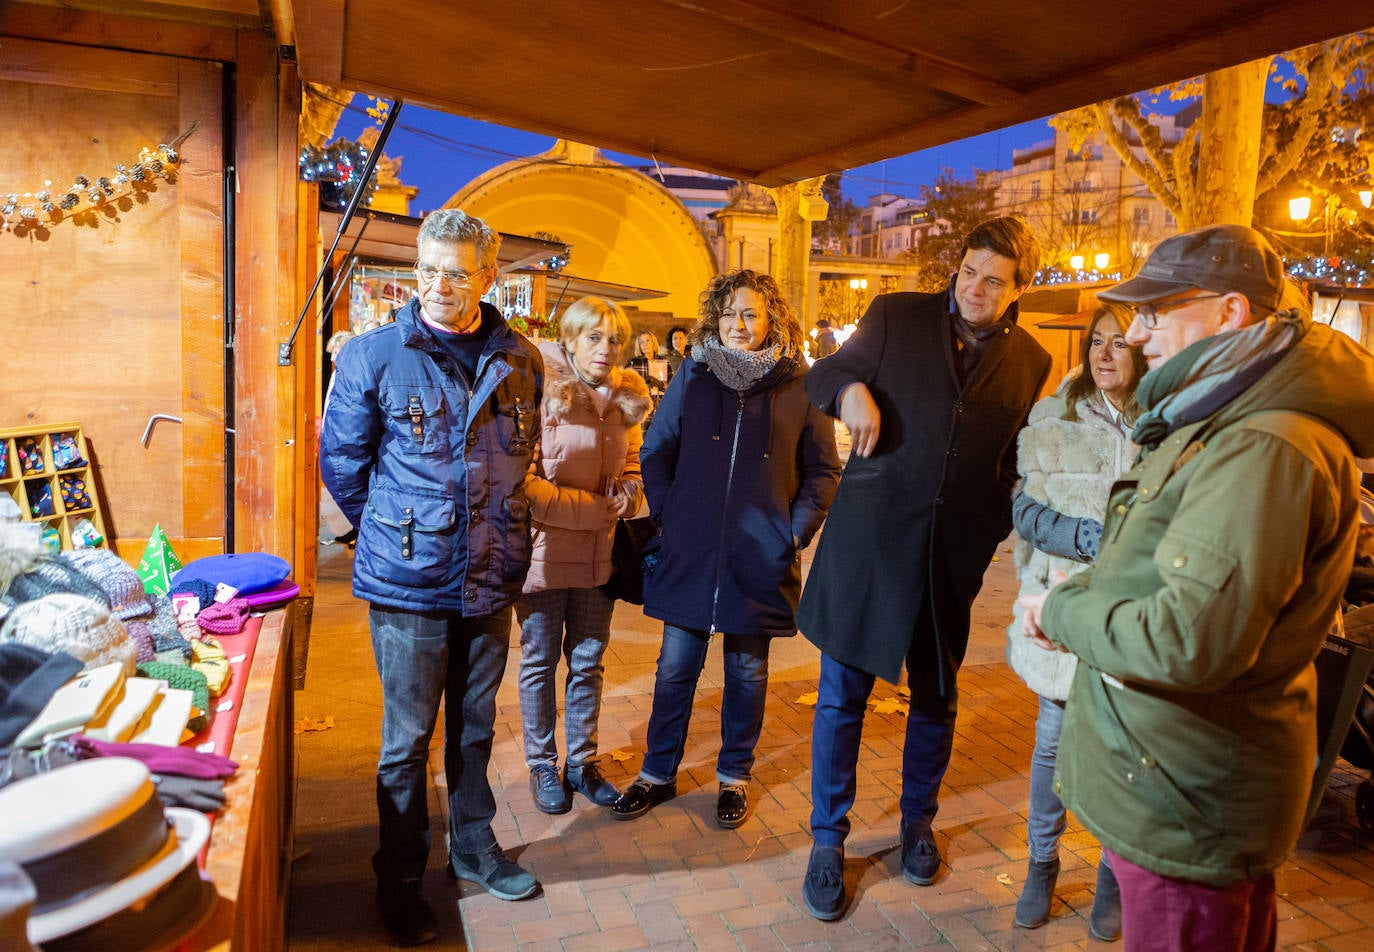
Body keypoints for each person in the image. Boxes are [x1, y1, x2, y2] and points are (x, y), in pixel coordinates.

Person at [1021, 224, 1374, 952]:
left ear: (1230, 313)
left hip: (1189, 796)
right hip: (1177, 780)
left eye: (1156, 312)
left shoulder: (1260, 444)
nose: (1139, 335)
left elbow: (1186, 639)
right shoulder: (1222, 417)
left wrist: (1061, 607)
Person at [797, 217, 1052, 920]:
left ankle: (917, 826)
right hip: (872, 544)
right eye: (968, 271)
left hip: (948, 557)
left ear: (1016, 289)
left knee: (936, 698)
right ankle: (828, 840)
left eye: (993, 280)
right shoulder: (895, 315)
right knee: (841, 694)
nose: (975, 288)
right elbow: (827, 371)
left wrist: (987, 526)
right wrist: (851, 392)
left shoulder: (1031, 360)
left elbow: (1014, 464)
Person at [320, 208, 544, 946]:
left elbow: (520, 459)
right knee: (407, 737)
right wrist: (389, 534)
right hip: (408, 581)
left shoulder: (523, 358)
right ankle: (401, 878)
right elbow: (344, 470)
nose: (439, 284)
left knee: (475, 727)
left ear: (488, 276)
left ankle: (474, 849)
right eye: (427, 268)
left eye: (456, 271)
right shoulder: (374, 354)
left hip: (492, 573)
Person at [611, 269, 841, 829]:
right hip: (689, 553)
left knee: (747, 672)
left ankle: (734, 774)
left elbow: (823, 470)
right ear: (716, 317)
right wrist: (671, 513)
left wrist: (792, 531)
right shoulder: (695, 375)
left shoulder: (799, 386)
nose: (739, 325)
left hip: (759, 558)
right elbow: (657, 450)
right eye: (730, 313)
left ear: (771, 320)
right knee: (674, 669)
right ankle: (657, 773)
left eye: (751, 314)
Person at [1005, 305, 1146, 940]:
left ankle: (1113, 874)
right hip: (1064, 609)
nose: (1105, 354)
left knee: (1124, 753)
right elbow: (1026, 514)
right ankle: (1041, 863)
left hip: (1133, 620)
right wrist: (1092, 536)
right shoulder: (1053, 419)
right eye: (1097, 342)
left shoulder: (1167, 425)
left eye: (1120, 343)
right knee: (1053, 744)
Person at [517, 297, 651, 815]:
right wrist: (596, 511)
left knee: (589, 663)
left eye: (614, 339)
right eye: (594, 337)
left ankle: (582, 762)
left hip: (599, 559)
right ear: (569, 339)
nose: (606, 349)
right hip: (544, 557)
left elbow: (636, 467)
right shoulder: (541, 392)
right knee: (539, 662)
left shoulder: (626, 399)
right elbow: (522, 482)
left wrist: (630, 495)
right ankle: (540, 764)